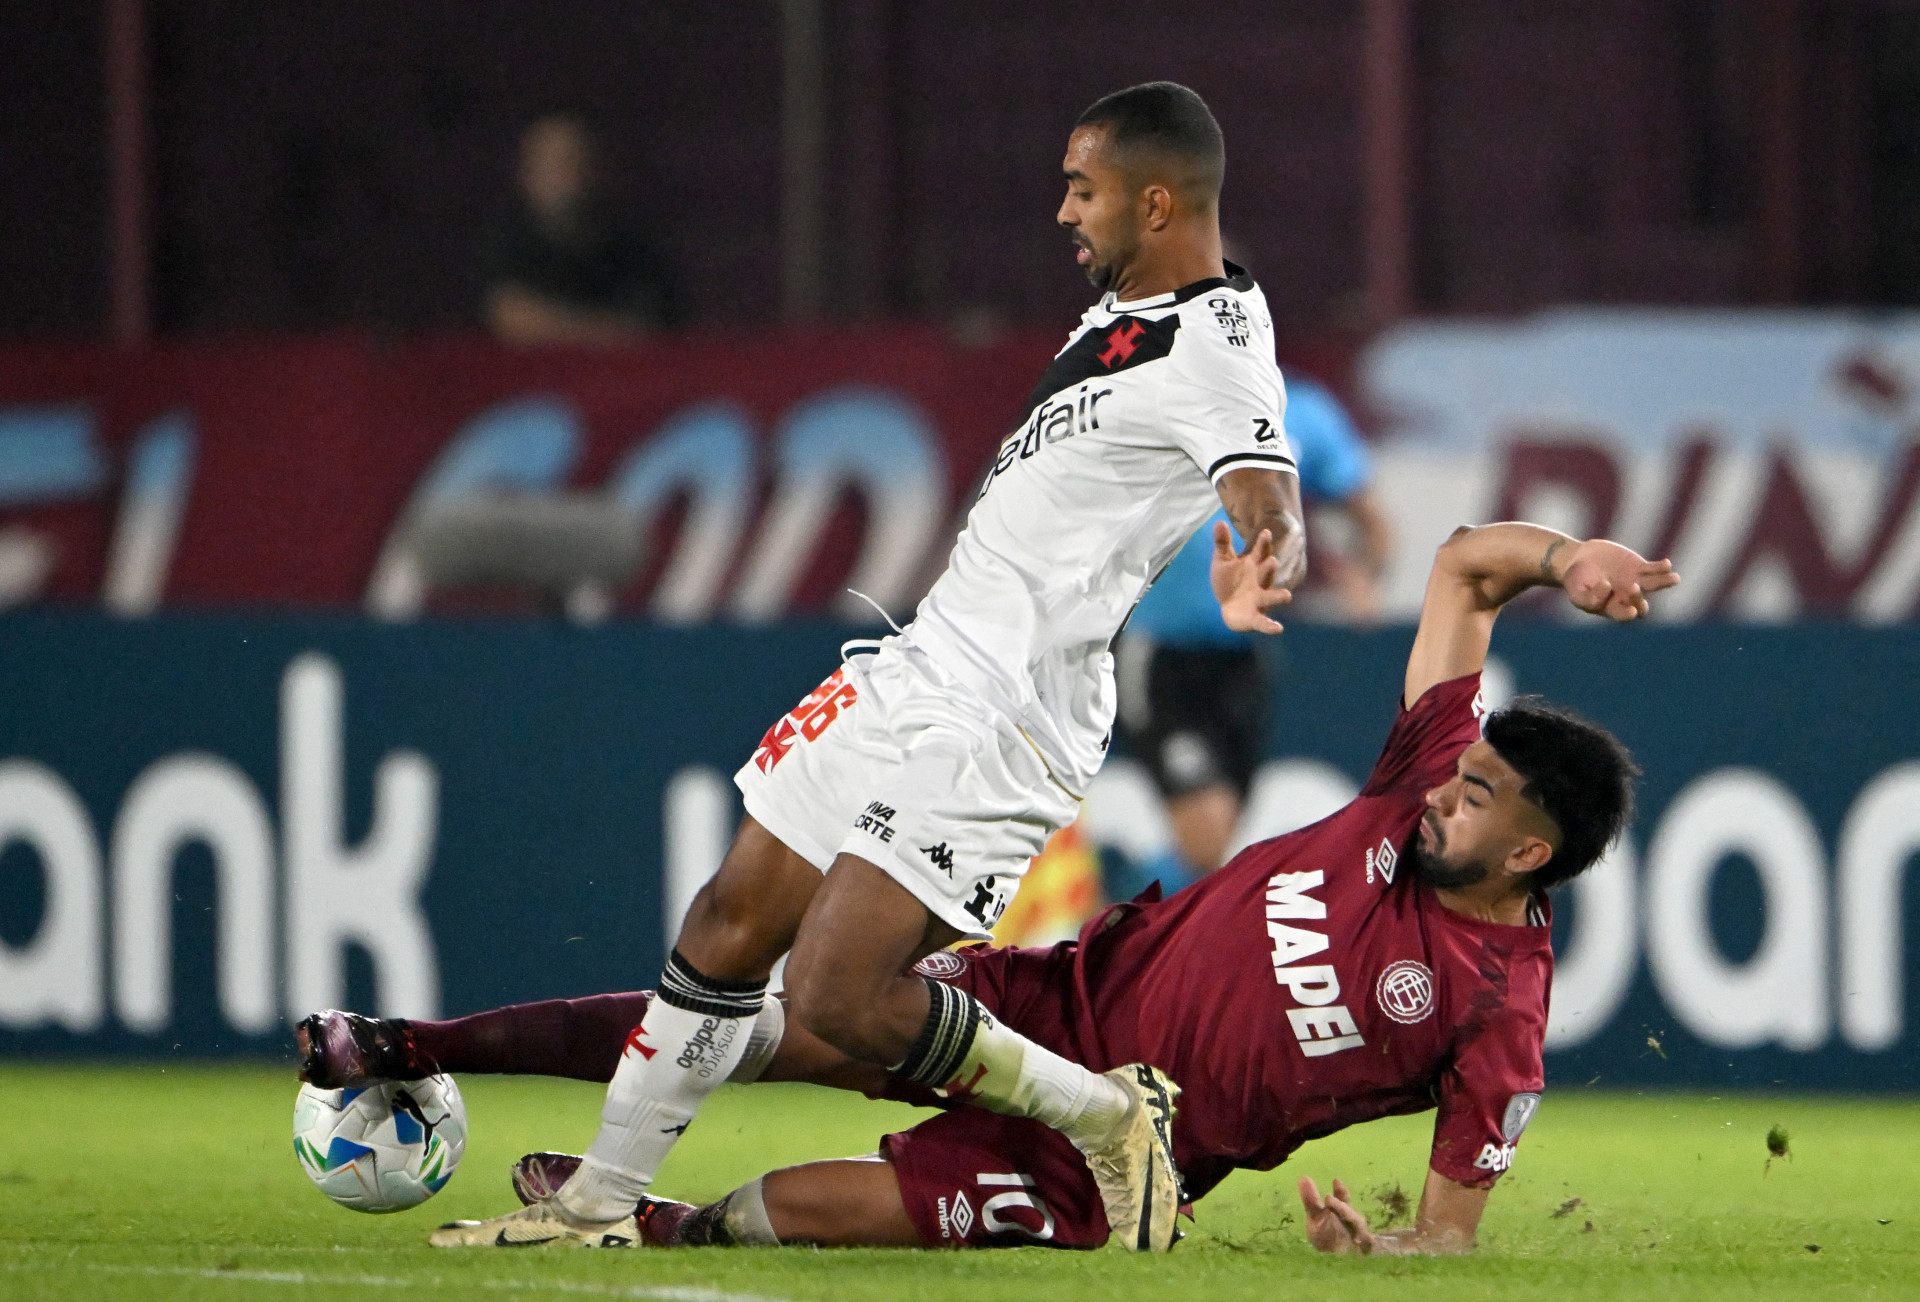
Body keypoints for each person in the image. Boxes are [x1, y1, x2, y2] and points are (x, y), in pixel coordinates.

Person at [367, 81, 1308, 1251]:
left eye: (1083, 187)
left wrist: (1258, 557)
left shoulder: (1219, 347)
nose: (1063, 211)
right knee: (726, 921)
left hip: (1005, 713)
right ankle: (599, 1205)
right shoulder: (1129, 311)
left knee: (837, 1000)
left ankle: (1107, 1117)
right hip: (917, 667)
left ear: (1156, 198)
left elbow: (1267, 489)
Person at [301, 519, 1677, 1253]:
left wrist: (1373, 1248)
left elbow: (1448, 1239)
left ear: (1528, 856)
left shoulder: (1499, 1008)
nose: (1448, 788)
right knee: (769, 1015)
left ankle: (656, 1222)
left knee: (851, 1207)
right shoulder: (1408, 783)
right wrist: (1572, 559)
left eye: (1479, 796)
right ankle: (412, 1043)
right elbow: (1463, 568)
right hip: (1055, 998)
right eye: (1462, 772)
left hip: (1122, 1163)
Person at [1114, 375, 1393, 895]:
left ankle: (1120, 915)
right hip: (1161, 653)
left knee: (1216, 842)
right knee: (1207, 835)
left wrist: (1363, 575)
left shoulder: (1306, 413)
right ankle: (1111, 941)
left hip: (1245, 655)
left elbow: (1369, 517)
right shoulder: (1162, 397)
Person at [483, 112, 686, 343]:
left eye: (574, 161)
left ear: (597, 168)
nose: (566, 176)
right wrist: (601, 333)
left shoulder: (631, 246)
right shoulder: (502, 241)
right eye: (551, 164)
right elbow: (510, 319)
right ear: (525, 172)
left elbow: (647, 324)